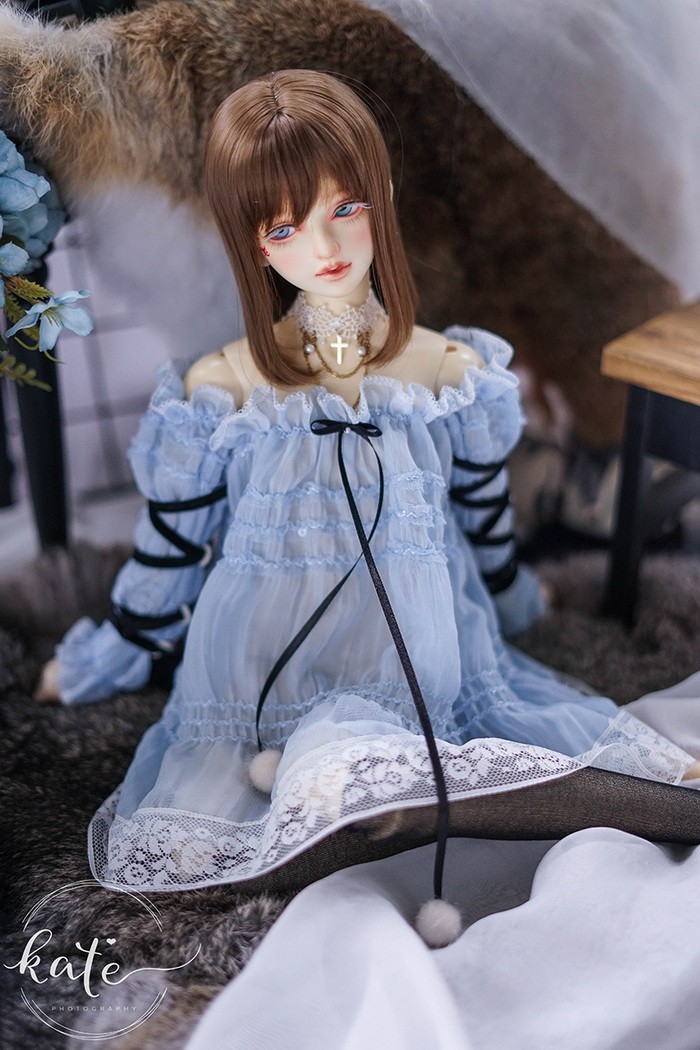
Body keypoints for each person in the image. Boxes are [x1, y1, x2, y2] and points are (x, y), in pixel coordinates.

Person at [37, 69, 699, 946]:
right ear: (252, 243)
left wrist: (512, 599)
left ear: (379, 197)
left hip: (413, 647)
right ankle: (341, 785)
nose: (323, 245)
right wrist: (114, 654)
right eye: (283, 226)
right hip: (265, 658)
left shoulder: (448, 372)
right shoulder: (219, 389)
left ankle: (376, 783)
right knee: (266, 781)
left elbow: (482, 511)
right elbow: (170, 550)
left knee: (433, 749)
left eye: (343, 207)